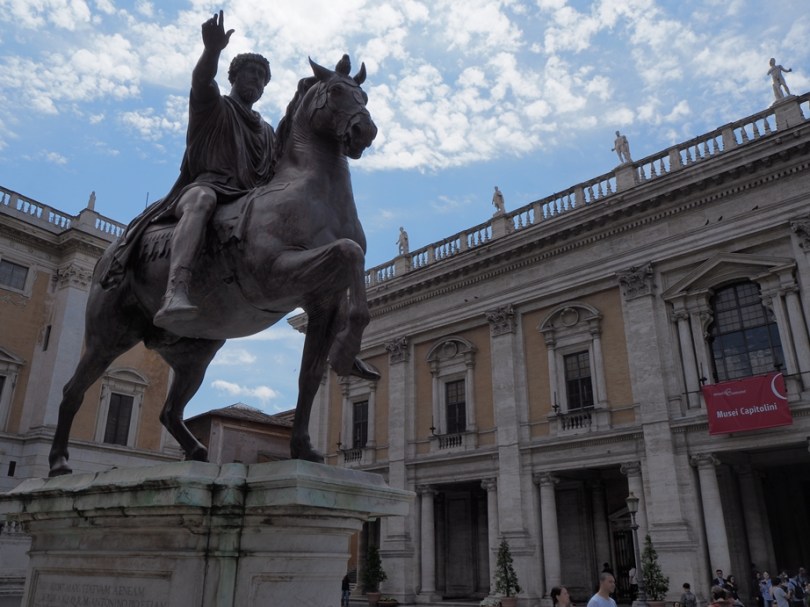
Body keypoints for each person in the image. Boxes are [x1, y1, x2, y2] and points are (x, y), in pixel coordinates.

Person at [101, 10, 276, 328]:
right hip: (204, 186)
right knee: (201, 201)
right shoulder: (212, 105)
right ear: (234, 77)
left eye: (263, 78)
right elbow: (202, 79)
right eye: (251, 73)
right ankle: (175, 290)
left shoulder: (266, 131)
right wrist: (212, 51)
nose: (257, 81)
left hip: (245, 199)